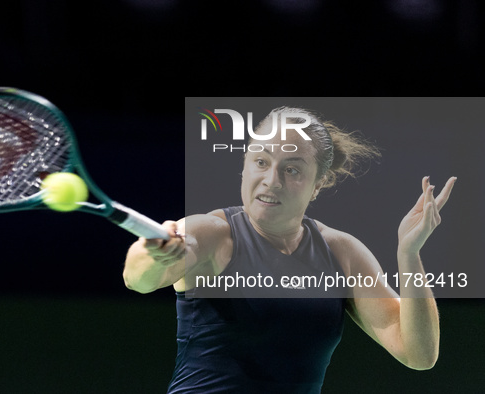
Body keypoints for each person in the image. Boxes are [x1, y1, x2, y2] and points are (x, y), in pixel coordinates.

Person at [123, 107, 456, 393]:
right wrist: (152, 254)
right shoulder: (210, 233)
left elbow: (418, 354)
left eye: (292, 169)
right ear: (245, 165)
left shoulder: (341, 253)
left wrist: (409, 255)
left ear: (319, 184)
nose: (272, 179)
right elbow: (139, 278)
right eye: (261, 162)